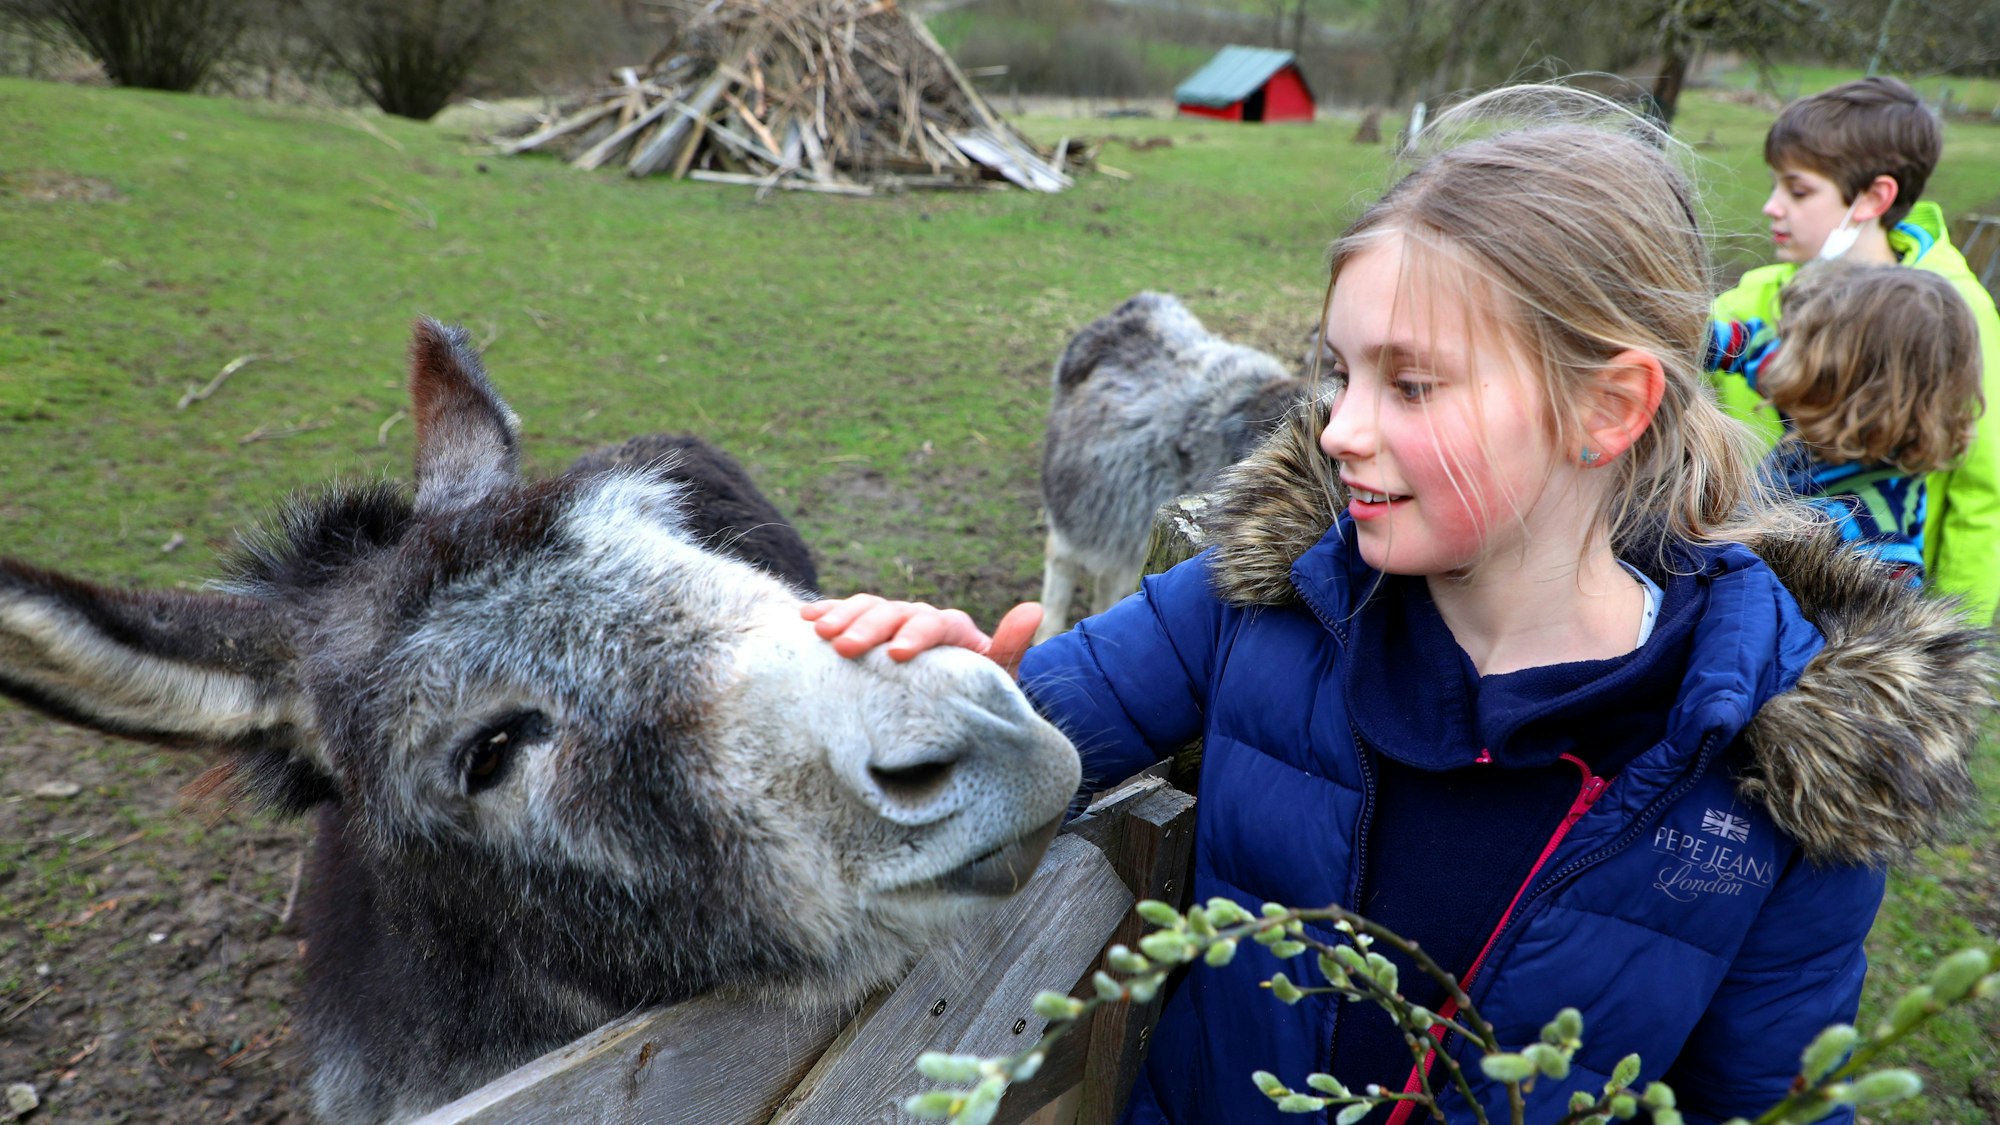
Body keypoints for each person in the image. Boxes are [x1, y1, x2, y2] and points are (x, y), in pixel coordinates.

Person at [806, 94, 1991, 1124]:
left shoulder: (1789, 775)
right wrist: (928, 692)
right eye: (1340, 370)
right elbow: (987, 749)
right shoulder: (1259, 604)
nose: (1337, 428)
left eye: (1409, 383)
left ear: (1606, 408)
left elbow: (1771, 1102)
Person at [1712, 75, 2000, 620]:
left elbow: (1983, 496)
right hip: (1743, 577)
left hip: (1872, 602)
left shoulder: (1951, 314)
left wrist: (1954, 661)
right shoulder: (1755, 296)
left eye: (1798, 191)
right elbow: (1702, 350)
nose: (1772, 206)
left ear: (1874, 196)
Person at [1710, 262, 1984, 581]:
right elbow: (1747, 345)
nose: (1779, 359)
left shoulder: (1876, 538)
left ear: (1846, 387)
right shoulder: (1821, 403)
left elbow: (1885, 627)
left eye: (1798, 349)